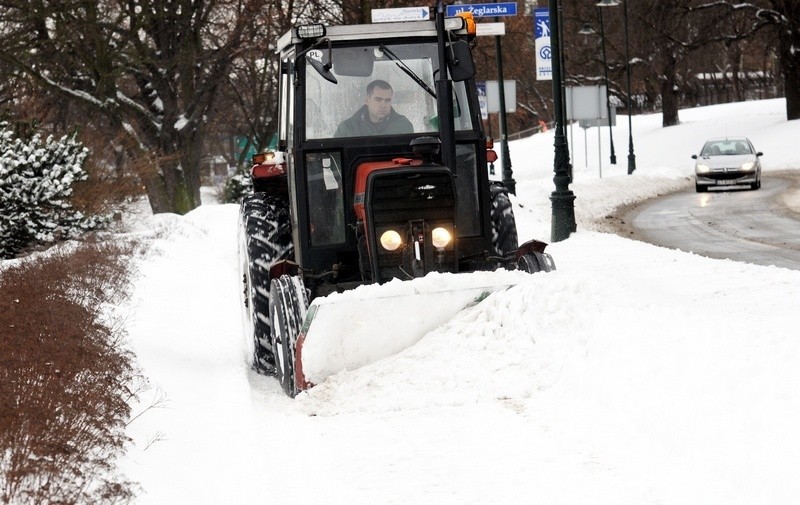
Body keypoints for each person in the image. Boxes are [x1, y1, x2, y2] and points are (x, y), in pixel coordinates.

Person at [334, 80, 413, 137]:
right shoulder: (347, 128)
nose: (383, 104)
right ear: (367, 100)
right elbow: (335, 158)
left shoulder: (403, 126)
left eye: (387, 100)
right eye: (378, 99)